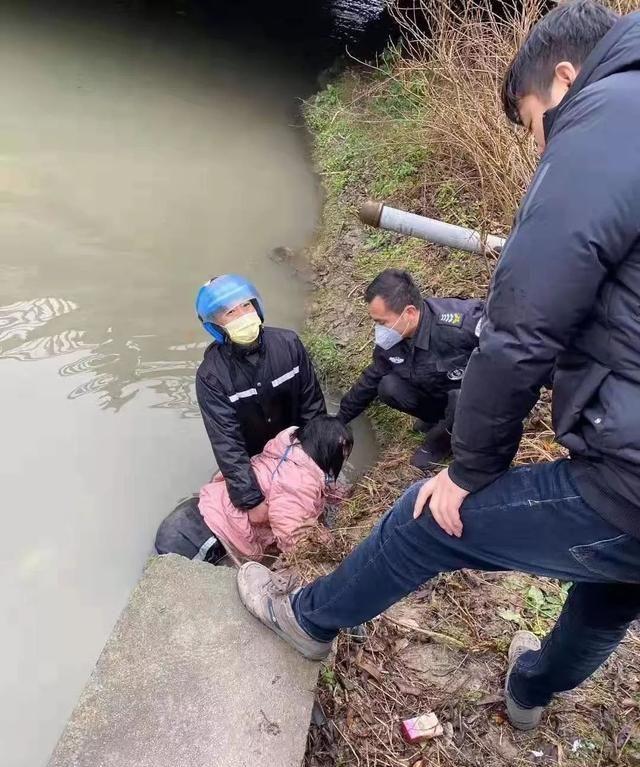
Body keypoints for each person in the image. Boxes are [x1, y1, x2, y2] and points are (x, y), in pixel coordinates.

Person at [236, 0, 640, 732]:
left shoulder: (606, 120)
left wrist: (470, 468)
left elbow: (519, 334)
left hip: (631, 477)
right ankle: (531, 690)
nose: (538, 144)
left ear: (565, 78)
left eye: (531, 121)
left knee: (424, 518)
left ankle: (306, 618)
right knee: (610, 588)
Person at [195, 274, 326, 526]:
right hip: (253, 459)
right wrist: (251, 500)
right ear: (215, 326)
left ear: (257, 306)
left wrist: (318, 462)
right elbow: (227, 443)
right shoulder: (211, 377)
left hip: (296, 447)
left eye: (246, 305)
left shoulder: (289, 345)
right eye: (230, 312)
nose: (243, 315)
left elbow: (313, 409)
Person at [336, 268, 484, 471]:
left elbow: (506, 355)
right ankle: (436, 420)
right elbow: (371, 378)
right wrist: (339, 419)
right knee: (388, 387)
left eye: (382, 322)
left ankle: (440, 444)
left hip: (476, 401)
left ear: (410, 313)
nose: (379, 330)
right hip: (438, 393)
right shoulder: (393, 339)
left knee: (461, 397)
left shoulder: (462, 326)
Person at [155, 415, 353, 563]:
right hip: (201, 538)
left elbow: (318, 484)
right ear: (328, 453)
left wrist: (346, 495)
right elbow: (294, 538)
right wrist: (330, 542)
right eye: (341, 457)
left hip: (199, 509)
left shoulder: (288, 447)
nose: (342, 462)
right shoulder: (298, 484)